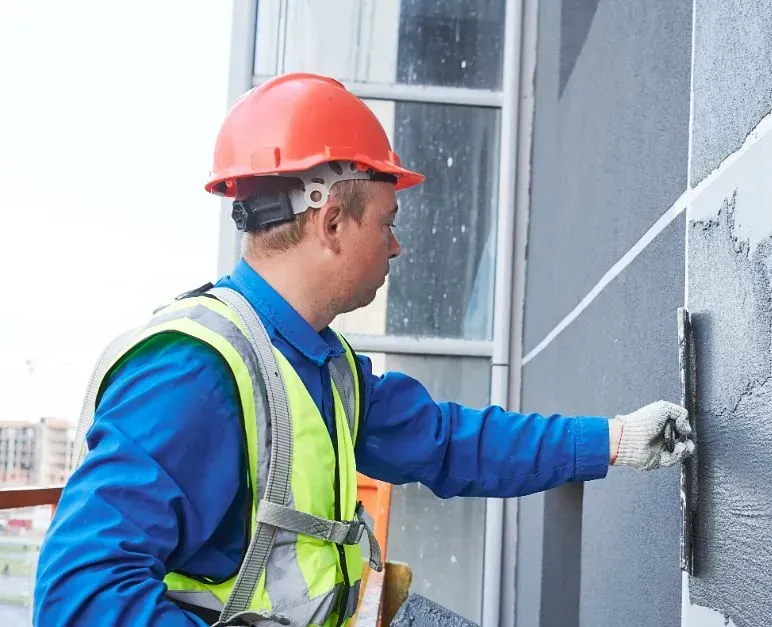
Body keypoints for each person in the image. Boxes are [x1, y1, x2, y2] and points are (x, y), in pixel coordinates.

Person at [32, 72, 695, 627]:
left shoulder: (326, 367)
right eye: (388, 221)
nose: (397, 245)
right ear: (330, 222)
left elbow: (453, 443)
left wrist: (613, 440)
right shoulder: (193, 373)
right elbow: (78, 597)